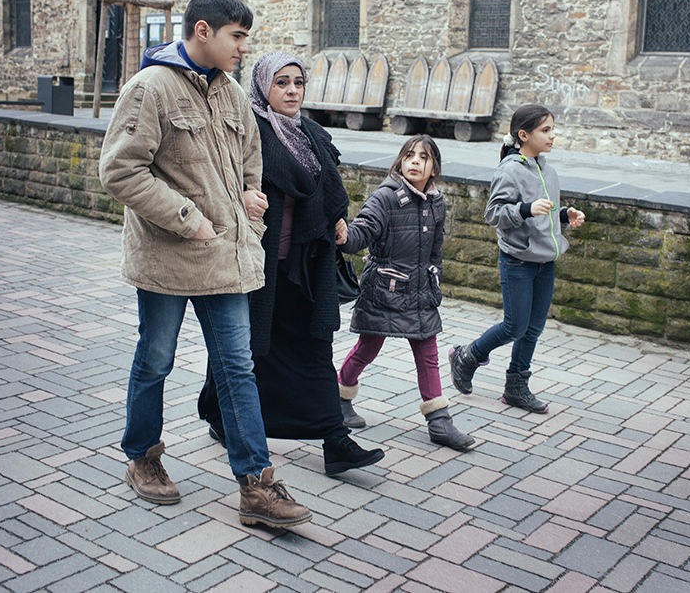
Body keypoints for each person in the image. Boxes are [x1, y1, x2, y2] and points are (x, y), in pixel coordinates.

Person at [98, 0, 311, 529]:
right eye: (236, 37)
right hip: (169, 258)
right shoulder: (150, 89)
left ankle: (256, 485)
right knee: (156, 358)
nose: (243, 48)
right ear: (203, 32)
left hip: (226, 258)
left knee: (237, 365)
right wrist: (187, 219)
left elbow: (250, 168)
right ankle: (142, 454)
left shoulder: (234, 95)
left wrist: (252, 212)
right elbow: (120, 171)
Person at [197, 52, 385, 477]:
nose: (292, 91)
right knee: (245, 350)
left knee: (315, 347)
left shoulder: (313, 135)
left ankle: (335, 440)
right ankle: (217, 411)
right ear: (264, 86)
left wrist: (337, 217)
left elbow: (330, 189)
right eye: (281, 83)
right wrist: (244, 197)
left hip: (305, 265)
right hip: (255, 265)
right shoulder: (247, 131)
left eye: (298, 83)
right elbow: (219, 184)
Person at [335, 135, 475, 451]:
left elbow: (436, 251)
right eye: (409, 155)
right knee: (367, 348)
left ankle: (440, 422)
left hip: (422, 291)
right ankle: (340, 395)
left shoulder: (437, 203)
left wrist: (434, 279)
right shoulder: (386, 197)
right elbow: (361, 234)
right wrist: (344, 235)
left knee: (427, 352)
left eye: (423, 158)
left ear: (434, 169)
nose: (414, 161)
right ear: (400, 161)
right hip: (385, 289)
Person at [449, 104, 586, 413]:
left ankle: (516, 387)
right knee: (515, 326)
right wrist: (524, 208)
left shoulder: (546, 169)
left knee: (533, 328)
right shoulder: (510, 170)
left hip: (545, 261)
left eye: (552, 129)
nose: (553, 135)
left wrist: (566, 214)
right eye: (546, 130)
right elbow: (493, 213)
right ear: (524, 135)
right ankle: (467, 355)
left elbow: (545, 212)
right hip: (518, 261)